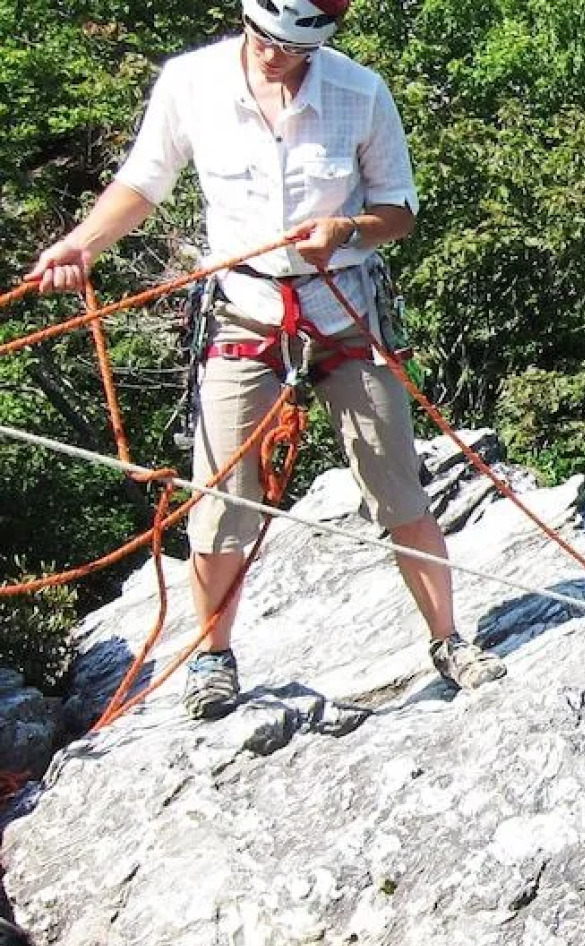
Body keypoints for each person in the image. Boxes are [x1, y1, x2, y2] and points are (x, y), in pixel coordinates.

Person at [30, 0, 505, 719]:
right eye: (262, 37)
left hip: (341, 310)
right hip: (243, 310)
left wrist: (347, 228)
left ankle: (448, 640)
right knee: (219, 499)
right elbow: (142, 182)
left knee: (398, 491)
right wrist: (81, 244)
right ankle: (212, 658)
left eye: (293, 49)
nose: (272, 55)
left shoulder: (359, 92)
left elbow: (399, 211)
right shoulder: (191, 81)